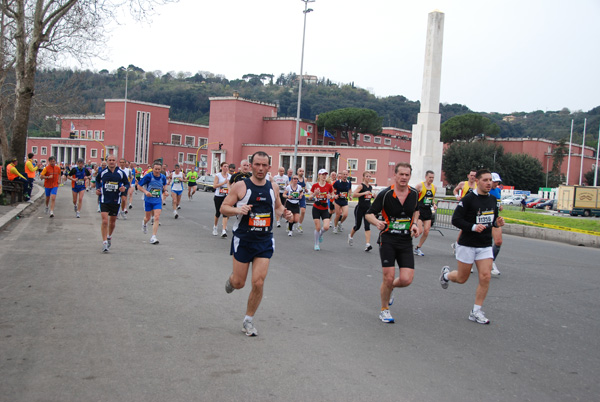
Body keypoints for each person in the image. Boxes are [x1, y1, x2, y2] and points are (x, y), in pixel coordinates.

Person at [220, 151, 292, 337]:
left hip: (264, 240)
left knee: (258, 282)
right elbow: (224, 208)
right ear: (251, 165)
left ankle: (248, 320)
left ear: (269, 167)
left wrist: (285, 213)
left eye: (264, 165)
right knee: (239, 282)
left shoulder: (273, 187)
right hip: (243, 239)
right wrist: (238, 209)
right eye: (257, 165)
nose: (260, 168)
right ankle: (232, 281)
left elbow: (277, 206)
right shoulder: (240, 186)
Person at [439, 169, 505, 325]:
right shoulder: (469, 199)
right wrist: (473, 227)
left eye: (490, 180)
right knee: (462, 278)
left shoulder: (492, 200)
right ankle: (446, 275)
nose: (489, 183)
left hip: (484, 245)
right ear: (478, 182)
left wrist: (497, 223)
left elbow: (492, 220)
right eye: (485, 180)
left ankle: (476, 311)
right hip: (467, 244)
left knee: (486, 276)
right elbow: (456, 220)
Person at [366, 163, 420, 324]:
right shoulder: (385, 194)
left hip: (405, 240)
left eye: (407, 175)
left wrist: (415, 224)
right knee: (388, 278)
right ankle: (384, 309)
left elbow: (416, 210)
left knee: (406, 279)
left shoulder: (414, 194)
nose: (404, 177)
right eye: (401, 174)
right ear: (395, 175)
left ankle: (391, 289)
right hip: (388, 239)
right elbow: (369, 214)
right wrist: (377, 223)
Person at [96, 155, 130, 252]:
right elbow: (98, 180)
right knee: (105, 221)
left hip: (115, 200)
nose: (111, 162)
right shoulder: (103, 172)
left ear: (116, 161)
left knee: (112, 222)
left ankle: (109, 236)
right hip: (104, 199)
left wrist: (124, 189)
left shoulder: (120, 173)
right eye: (110, 160)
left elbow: (127, 183)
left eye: (113, 160)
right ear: (107, 161)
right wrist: (98, 189)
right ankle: (104, 243)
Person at [138, 161, 169, 244]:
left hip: (157, 200)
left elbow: (165, 184)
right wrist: (145, 192)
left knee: (156, 217)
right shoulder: (148, 176)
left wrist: (165, 191)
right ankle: (144, 223)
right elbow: (139, 186)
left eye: (159, 169)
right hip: (148, 200)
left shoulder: (162, 177)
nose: (157, 171)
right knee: (147, 218)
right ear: (153, 169)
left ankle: (153, 237)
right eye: (156, 169)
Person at [451, 169, 478, 255]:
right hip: (463, 208)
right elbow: (455, 190)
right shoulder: (463, 184)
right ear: (468, 176)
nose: (472, 177)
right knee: (464, 228)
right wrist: (457, 196)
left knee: (465, 229)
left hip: (473, 209)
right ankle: (458, 245)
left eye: (474, 176)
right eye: (471, 175)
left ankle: (458, 245)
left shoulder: (477, 185)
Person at [348, 171, 374, 251]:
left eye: (370, 176)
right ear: (363, 177)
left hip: (367, 209)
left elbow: (368, 196)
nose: (368, 178)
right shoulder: (361, 186)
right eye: (367, 176)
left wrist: (372, 196)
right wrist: (364, 193)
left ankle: (367, 244)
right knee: (358, 226)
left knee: (367, 226)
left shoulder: (370, 187)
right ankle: (350, 236)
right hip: (360, 208)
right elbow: (354, 194)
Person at [309, 169, 334, 251]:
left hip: (325, 208)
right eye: (323, 174)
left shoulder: (329, 186)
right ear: (319, 175)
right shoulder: (315, 185)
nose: (324, 176)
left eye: (325, 175)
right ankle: (316, 244)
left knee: (326, 227)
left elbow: (332, 194)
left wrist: (330, 197)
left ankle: (320, 234)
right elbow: (310, 197)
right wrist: (315, 194)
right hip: (316, 208)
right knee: (318, 227)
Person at [413, 170, 437, 256]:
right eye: (430, 177)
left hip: (428, 211)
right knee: (419, 231)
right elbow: (413, 196)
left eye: (433, 177)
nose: (431, 179)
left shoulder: (434, 187)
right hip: (419, 211)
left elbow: (432, 198)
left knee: (426, 231)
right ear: (426, 177)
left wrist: (434, 204)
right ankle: (405, 242)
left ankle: (418, 248)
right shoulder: (420, 186)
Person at [489, 172, 503, 276]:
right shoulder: (486, 190)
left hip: (495, 219)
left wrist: (500, 206)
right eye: (495, 181)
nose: (496, 183)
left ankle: (491, 262)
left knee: (498, 242)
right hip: (485, 219)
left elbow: (498, 203)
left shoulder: (498, 190)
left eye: (497, 181)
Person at [213, 162, 231, 237]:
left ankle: (223, 230)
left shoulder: (230, 176)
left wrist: (230, 189)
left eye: (227, 166)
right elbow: (214, 186)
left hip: (226, 196)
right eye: (224, 166)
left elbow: (231, 185)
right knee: (218, 212)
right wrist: (223, 183)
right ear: (221, 167)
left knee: (225, 212)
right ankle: (215, 227)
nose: (226, 167)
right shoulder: (218, 175)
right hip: (218, 196)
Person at [296, 167, 308, 233]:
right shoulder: (294, 179)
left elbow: (304, 187)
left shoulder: (305, 179)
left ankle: (299, 225)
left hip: (302, 197)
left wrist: (306, 189)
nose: (302, 172)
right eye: (300, 171)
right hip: (295, 197)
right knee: (293, 213)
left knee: (303, 211)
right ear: (297, 172)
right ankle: (289, 224)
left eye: (303, 171)